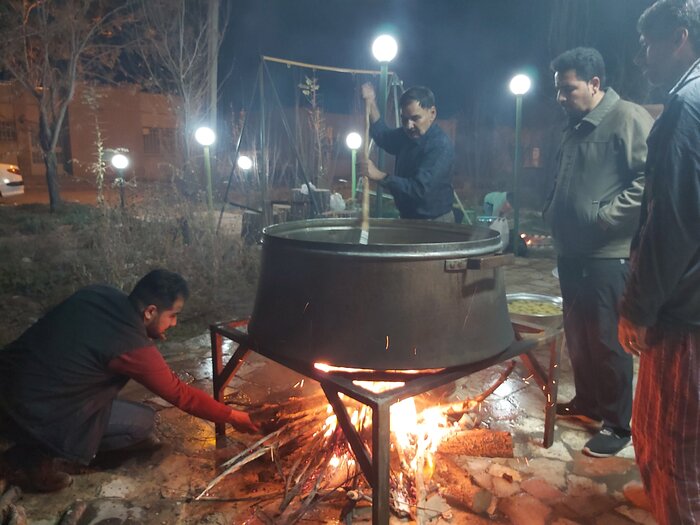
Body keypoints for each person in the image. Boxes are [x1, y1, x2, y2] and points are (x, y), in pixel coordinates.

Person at [0, 269, 259, 492]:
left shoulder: (98, 294)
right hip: (35, 412)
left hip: (9, 382)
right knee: (141, 423)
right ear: (150, 311)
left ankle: (28, 439)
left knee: (120, 407)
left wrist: (147, 335)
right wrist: (236, 417)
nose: (175, 322)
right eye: (172, 315)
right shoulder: (132, 347)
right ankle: (31, 460)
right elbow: (182, 395)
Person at [543, 47, 654, 457]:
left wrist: (607, 218)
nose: (560, 97)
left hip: (607, 253)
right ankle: (588, 399)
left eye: (567, 89)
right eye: (557, 90)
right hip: (571, 251)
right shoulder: (574, 126)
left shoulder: (627, 118)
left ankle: (617, 423)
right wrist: (552, 207)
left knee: (608, 339)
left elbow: (649, 179)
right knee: (579, 333)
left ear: (594, 84)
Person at [619, 1, 700, 522]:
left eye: (650, 43)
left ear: (682, 37)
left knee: (667, 444)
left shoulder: (687, 108)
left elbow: (672, 223)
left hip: (683, 313)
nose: (643, 56)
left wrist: (638, 308)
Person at [359, 83, 455, 221]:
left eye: (416, 118)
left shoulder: (440, 145)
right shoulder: (406, 136)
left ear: (432, 113)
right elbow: (383, 136)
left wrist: (379, 176)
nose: (409, 126)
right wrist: (371, 102)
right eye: (405, 120)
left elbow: (419, 190)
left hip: (436, 223)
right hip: (409, 219)